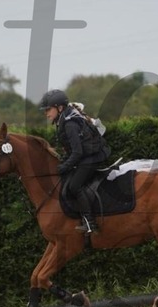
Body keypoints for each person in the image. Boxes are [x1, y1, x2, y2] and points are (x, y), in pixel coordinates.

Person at [39, 89, 111, 233]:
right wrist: (64, 162)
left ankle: (90, 222)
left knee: (74, 186)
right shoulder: (64, 119)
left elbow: (77, 152)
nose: (46, 113)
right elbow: (73, 150)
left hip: (93, 157)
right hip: (87, 155)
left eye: (48, 109)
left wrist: (64, 166)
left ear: (60, 108)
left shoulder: (69, 124)